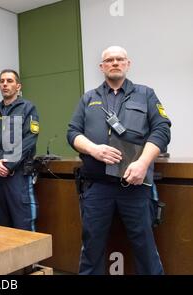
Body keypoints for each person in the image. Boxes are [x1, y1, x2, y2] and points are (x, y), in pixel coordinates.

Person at [67, 46, 171, 275]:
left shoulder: (146, 94)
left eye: (119, 59)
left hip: (134, 186)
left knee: (144, 245)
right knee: (91, 246)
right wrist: (94, 150)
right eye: (109, 60)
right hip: (97, 186)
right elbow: (73, 132)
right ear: (102, 66)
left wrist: (143, 163)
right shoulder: (89, 98)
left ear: (128, 63)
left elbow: (162, 130)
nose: (114, 63)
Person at [0, 69, 40, 231]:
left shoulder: (28, 108)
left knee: (23, 225)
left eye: (9, 81)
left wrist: (8, 165)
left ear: (18, 86)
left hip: (18, 176)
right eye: (2, 81)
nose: (5, 84)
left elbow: (29, 140)